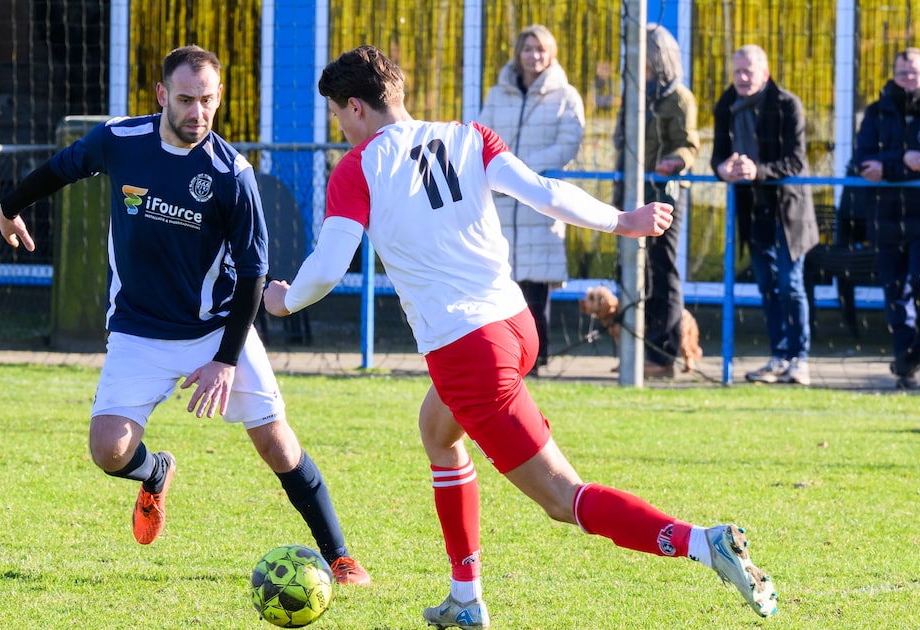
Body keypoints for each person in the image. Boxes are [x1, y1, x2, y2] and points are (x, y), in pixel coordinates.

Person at [263, 45, 777, 628]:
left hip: (469, 351)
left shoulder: (358, 169)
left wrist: (282, 300)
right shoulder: (467, 135)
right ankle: (464, 598)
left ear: (354, 106)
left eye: (337, 114)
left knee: (564, 499)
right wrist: (621, 220)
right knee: (437, 431)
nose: (339, 126)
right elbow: (545, 192)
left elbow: (329, 267)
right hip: (515, 323)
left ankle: (704, 543)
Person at [0, 45, 369, 584]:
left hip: (215, 328)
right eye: (187, 99)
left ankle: (340, 557)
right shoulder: (120, 141)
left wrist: (225, 360)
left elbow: (254, 274)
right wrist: (9, 207)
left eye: (208, 101)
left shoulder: (230, 173)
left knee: (276, 444)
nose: (198, 112)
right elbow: (59, 169)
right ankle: (156, 472)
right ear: (163, 95)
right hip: (138, 330)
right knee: (108, 450)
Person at [477, 25, 585, 373]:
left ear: (551, 53)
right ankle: (507, 358)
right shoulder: (497, 93)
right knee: (503, 284)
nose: (534, 55)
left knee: (537, 289)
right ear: (517, 52)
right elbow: (483, 133)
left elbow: (568, 144)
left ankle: (537, 358)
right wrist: (503, 173)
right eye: (527, 49)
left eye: (540, 49)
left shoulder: (566, 96)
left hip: (540, 199)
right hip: (502, 202)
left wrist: (521, 170)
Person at [710, 45, 818, 386]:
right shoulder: (725, 105)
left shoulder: (788, 105)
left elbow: (796, 162)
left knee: (791, 284)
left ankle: (800, 359)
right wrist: (724, 169)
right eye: (736, 71)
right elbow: (717, 158)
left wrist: (758, 171)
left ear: (765, 74)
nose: (741, 78)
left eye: (748, 72)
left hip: (789, 211)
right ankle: (779, 356)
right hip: (752, 211)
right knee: (767, 286)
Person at [854, 48, 920, 390]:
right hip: (886, 212)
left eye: (914, 73)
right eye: (902, 74)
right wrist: (902, 160)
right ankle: (906, 363)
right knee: (895, 290)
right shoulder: (878, 109)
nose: (908, 80)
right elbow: (861, 161)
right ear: (894, 74)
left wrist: (888, 168)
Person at [611, 24, 700, 379]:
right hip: (630, 195)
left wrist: (674, 161)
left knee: (662, 271)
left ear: (660, 58)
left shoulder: (679, 98)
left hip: (663, 196)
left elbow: (689, 145)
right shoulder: (632, 94)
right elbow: (621, 140)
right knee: (632, 271)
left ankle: (662, 355)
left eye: (644, 57)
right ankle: (634, 350)